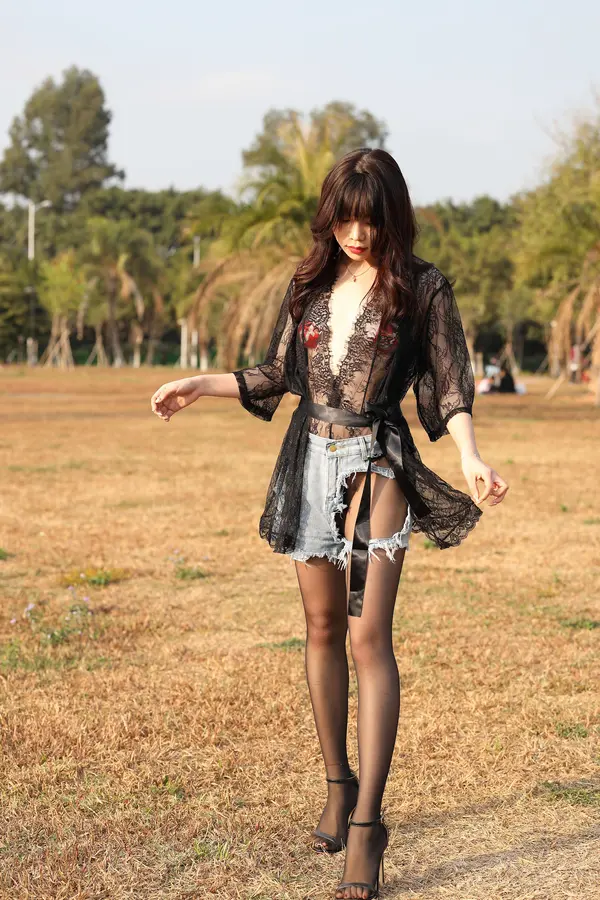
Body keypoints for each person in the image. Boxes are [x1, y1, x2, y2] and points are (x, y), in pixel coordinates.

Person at [151, 148, 509, 900]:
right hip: (309, 459)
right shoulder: (310, 282)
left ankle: (368, 827)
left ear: (392, 216)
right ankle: (337, 786)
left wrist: (471, 456)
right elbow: (277, 374)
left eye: (370, 219)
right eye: (345, 217)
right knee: (319, 629)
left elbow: (449, 384)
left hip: (379, 463)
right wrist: (199, 384)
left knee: (367, 636)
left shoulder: (423, 287)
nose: (356, 233)